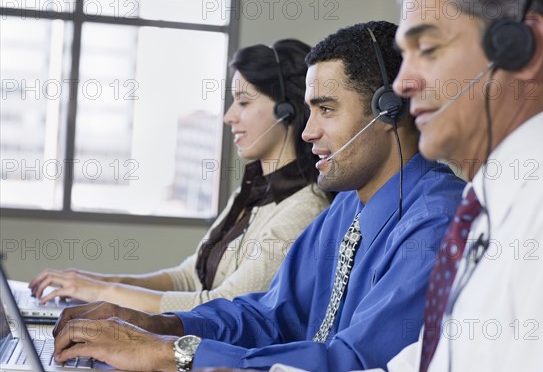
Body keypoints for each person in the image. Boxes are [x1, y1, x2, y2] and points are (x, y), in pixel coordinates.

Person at [145, 0, 543, 372]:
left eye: (428, 49)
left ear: (522, 46)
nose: (401, 85)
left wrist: (178, 354)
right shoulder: (489, 212)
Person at [52, 21, 465, 372]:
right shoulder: (344, 209)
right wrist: (155, 325)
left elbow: (354, 365)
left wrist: (170, 353)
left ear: (388, 111)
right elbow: (270, 316)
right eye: (309, 110)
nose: (307, 132)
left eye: (326, 109)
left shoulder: (434, 223)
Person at [28, 39, 332, 314]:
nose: (229, 116)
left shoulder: (303, 210)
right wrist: (97, 282)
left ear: (286, 111)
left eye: (243, 102)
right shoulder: (254, 191)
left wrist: (104, 292)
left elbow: (223, 306)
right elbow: (190, 277)